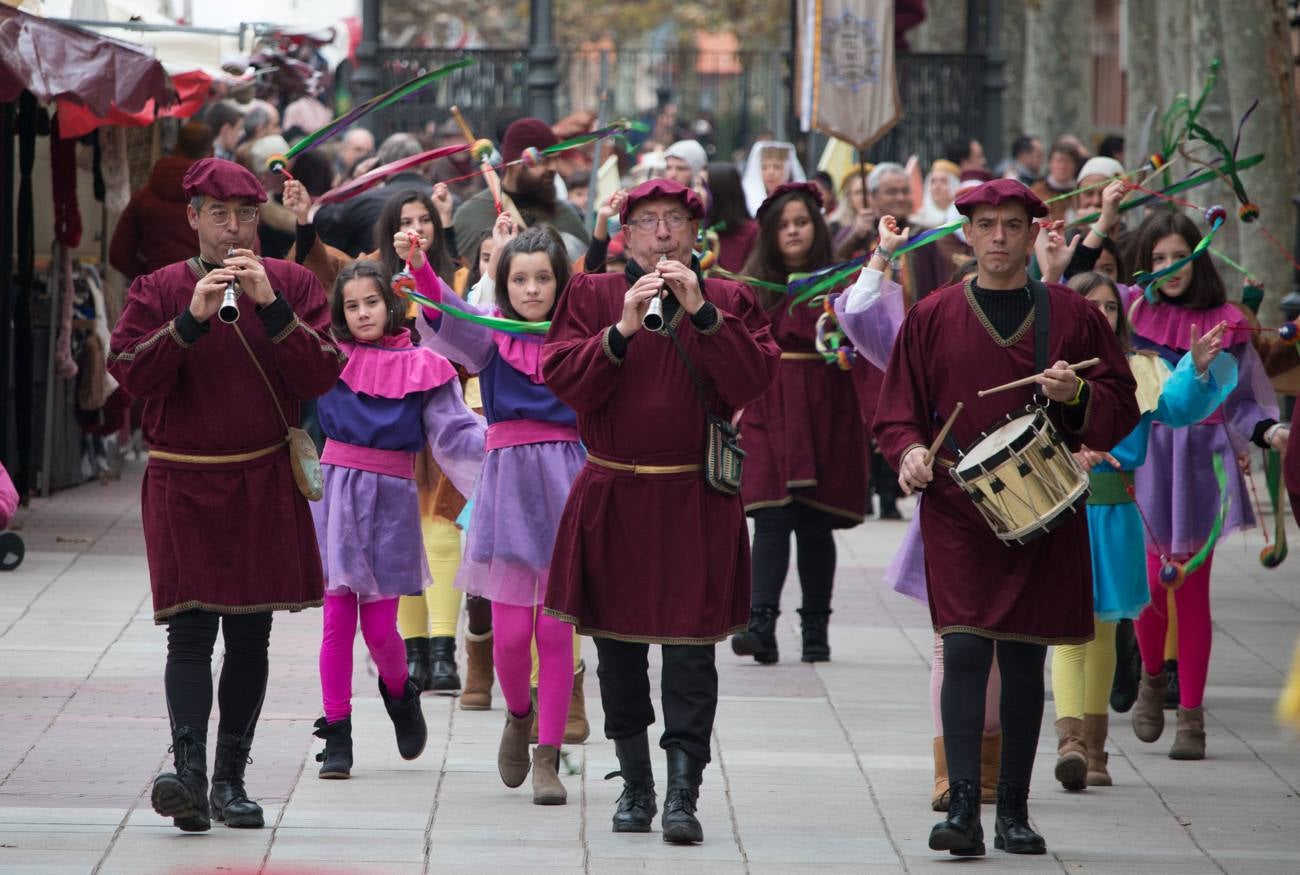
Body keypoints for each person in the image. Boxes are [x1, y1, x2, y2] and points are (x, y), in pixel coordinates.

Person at [874, 179, 1139, 857]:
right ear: (967, 233)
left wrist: (1076, 392)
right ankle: (963, 804)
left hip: (1045, 506)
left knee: (1024, 658)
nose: (997, 236)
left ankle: (1014, 811)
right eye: (986, 224)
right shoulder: (931, 315)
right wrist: (907, 452)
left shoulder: (1071, 313)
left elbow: (1120, 401)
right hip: (960, 507)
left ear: (1031, 234)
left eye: (1011, 225)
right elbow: (896, 411)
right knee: (963, 649)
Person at [107, 158, 345, 832]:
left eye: (244, 213)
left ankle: (229, 780)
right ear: (193, 218)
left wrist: (270, 307)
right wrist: (188, 322)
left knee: (249, 635)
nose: (233, 227)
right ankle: (186, 774)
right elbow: (129, 376)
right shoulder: (157, 288)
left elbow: (323, 372)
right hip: (182, 479)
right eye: (218, 213)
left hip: (261, 476)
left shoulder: (292, 283)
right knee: (188, 632)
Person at [541, 179, 781, 844]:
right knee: (616, 648)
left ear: (695, 232)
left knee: (690, 650)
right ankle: (636, 782)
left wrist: (702, 313)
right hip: (614, 492)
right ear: (626, 234)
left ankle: (684, 789)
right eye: (647, 222)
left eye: (675, 220)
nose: (663, 234)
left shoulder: (729, 297)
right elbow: (561, 376)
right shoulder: (590, 294)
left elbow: (753, 380)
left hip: (692, 498)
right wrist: (620, 328)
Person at [412, 226, 585, 805]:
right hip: (508, 486)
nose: (532, 289)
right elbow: (450, 314)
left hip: (568, 481)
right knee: (510, 638)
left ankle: (548, 755)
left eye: (543, 278)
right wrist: (421, 271)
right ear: (504, 285)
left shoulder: (578, 336)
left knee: (556, 632)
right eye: (520, 279)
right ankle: (518, 713)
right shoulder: (491, 339)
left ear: (560, 282)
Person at [1051, 271, 1235, 790]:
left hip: (1115, 513)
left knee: (1107, 628)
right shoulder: (1048, 367)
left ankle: (1096, 750)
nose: (1101, 314)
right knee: (1069, 629)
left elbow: (1177, 406)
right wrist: (1068, 450)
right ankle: (1070, 743)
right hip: (1063, 512)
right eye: (1090, 305)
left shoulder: (1141, 367)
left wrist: (1199, 368)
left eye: (1110, 306)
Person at [837, 245, 1004, 810]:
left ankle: (990, 762)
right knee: (949, 644)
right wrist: (881, 255)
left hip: (1014, 506)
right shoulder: (925, 334)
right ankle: (949, 769)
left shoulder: (1026, 327)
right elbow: (861, 315)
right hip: (952, 506)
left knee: (1006, 645)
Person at [310, 260, 485, 779]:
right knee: (337, 618)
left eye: (371, 302)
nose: (362, 313)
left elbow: (454, 432)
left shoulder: (422, 364)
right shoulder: (324, 357)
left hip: (391, 498)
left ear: (390, 304)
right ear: (340, 313)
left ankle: (400, 694)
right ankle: (337, 735)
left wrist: (503, 451)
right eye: (351, 305)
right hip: (336, 491)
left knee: (380, 630)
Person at [1127, 211, 1287, 761]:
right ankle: (1151, 679)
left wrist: (1271, 432)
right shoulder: (1132, 312)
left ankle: (1191, 718)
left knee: (1191, 593)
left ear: (1200, 256)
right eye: (1158, 259)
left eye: (1179, 255)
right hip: (1147, 462)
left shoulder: (1228, 324)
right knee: (1149, 588)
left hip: (1202, 469)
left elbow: (1242, 403)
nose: (1171, 268)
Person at [728, 182, 867, 664]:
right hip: (768, 404)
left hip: (822, 404)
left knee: (813, 520)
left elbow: (864, 330)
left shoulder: (838, 283)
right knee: (770, 514)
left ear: (817, 228)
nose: (793, 232)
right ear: (768, 233)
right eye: (784, 225)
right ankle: (760, 623)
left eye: (802, 223)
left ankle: (816, 629)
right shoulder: (750, 286)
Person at [452, 118, 590, 261]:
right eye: (544, 161)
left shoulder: (564, 214)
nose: (553, 168)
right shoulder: (471, 215)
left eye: (555, 159)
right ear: (516, 162)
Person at [110, 122, 215, 281]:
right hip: (208, 291)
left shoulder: (144, 197)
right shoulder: (221, 200)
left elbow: (118, 254)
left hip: (158, 291)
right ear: (211, 152)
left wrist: (150, 277)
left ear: (176, 148)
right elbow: (247, 249)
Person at [315, 134, 435, 257]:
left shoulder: (363, 202)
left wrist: (355, 183)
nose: (417, 228)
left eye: (425, 220)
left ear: (382, 164)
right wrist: (358, 182)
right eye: (406, 222)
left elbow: (324, 221)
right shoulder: (447, 199)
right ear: (421, 163)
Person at [702, 162, 757, 273]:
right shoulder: (696, 230)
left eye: (703, 186)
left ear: (719, 192)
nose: (695, 191)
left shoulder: (753, 233)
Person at [741, 140, 806, 216]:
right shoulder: (747, 200)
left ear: (786, 170)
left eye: (776, 167)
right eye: (764, 167)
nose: (770, 173)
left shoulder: (798, 199)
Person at [912, 159, 961, 230]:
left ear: (954, 185)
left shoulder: (961, 215)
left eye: (943, 181)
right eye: (933, 181)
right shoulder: (919, 218)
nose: (937, 186)